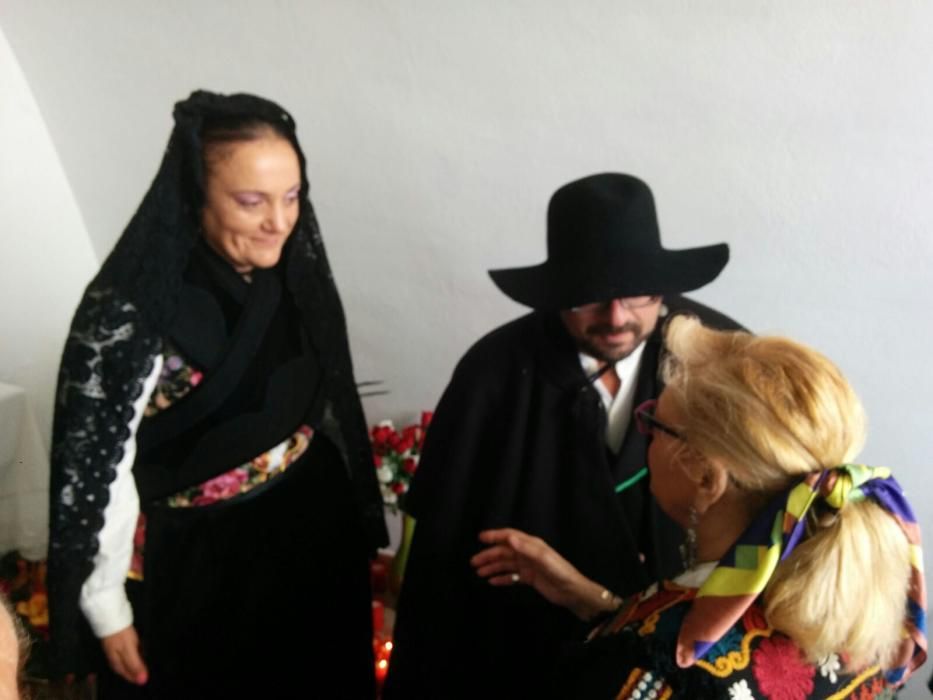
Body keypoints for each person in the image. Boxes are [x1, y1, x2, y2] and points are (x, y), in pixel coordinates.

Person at [47, 90, 387, 698]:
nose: (278, 222)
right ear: (194, 195)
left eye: (291, 197)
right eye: (250, 201)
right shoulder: (129, 308)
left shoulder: (291, 275)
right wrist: (108, 607)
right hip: (205, 563)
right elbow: (100, 468)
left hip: (312, 533)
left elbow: (321, 399)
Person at [384, 173, 743, 699]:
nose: (616, 317)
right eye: (590, 298)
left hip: (680, 650)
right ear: (556, 295)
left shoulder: (717, 358)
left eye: (636, 294)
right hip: (525, 650)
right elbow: (441, 559)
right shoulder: (495, 373)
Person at [472, 316, 927, 698]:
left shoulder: (654, 673)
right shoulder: (864, 607)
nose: (644, 432)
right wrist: (597, 603)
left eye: (655, 424)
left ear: (707, 478)